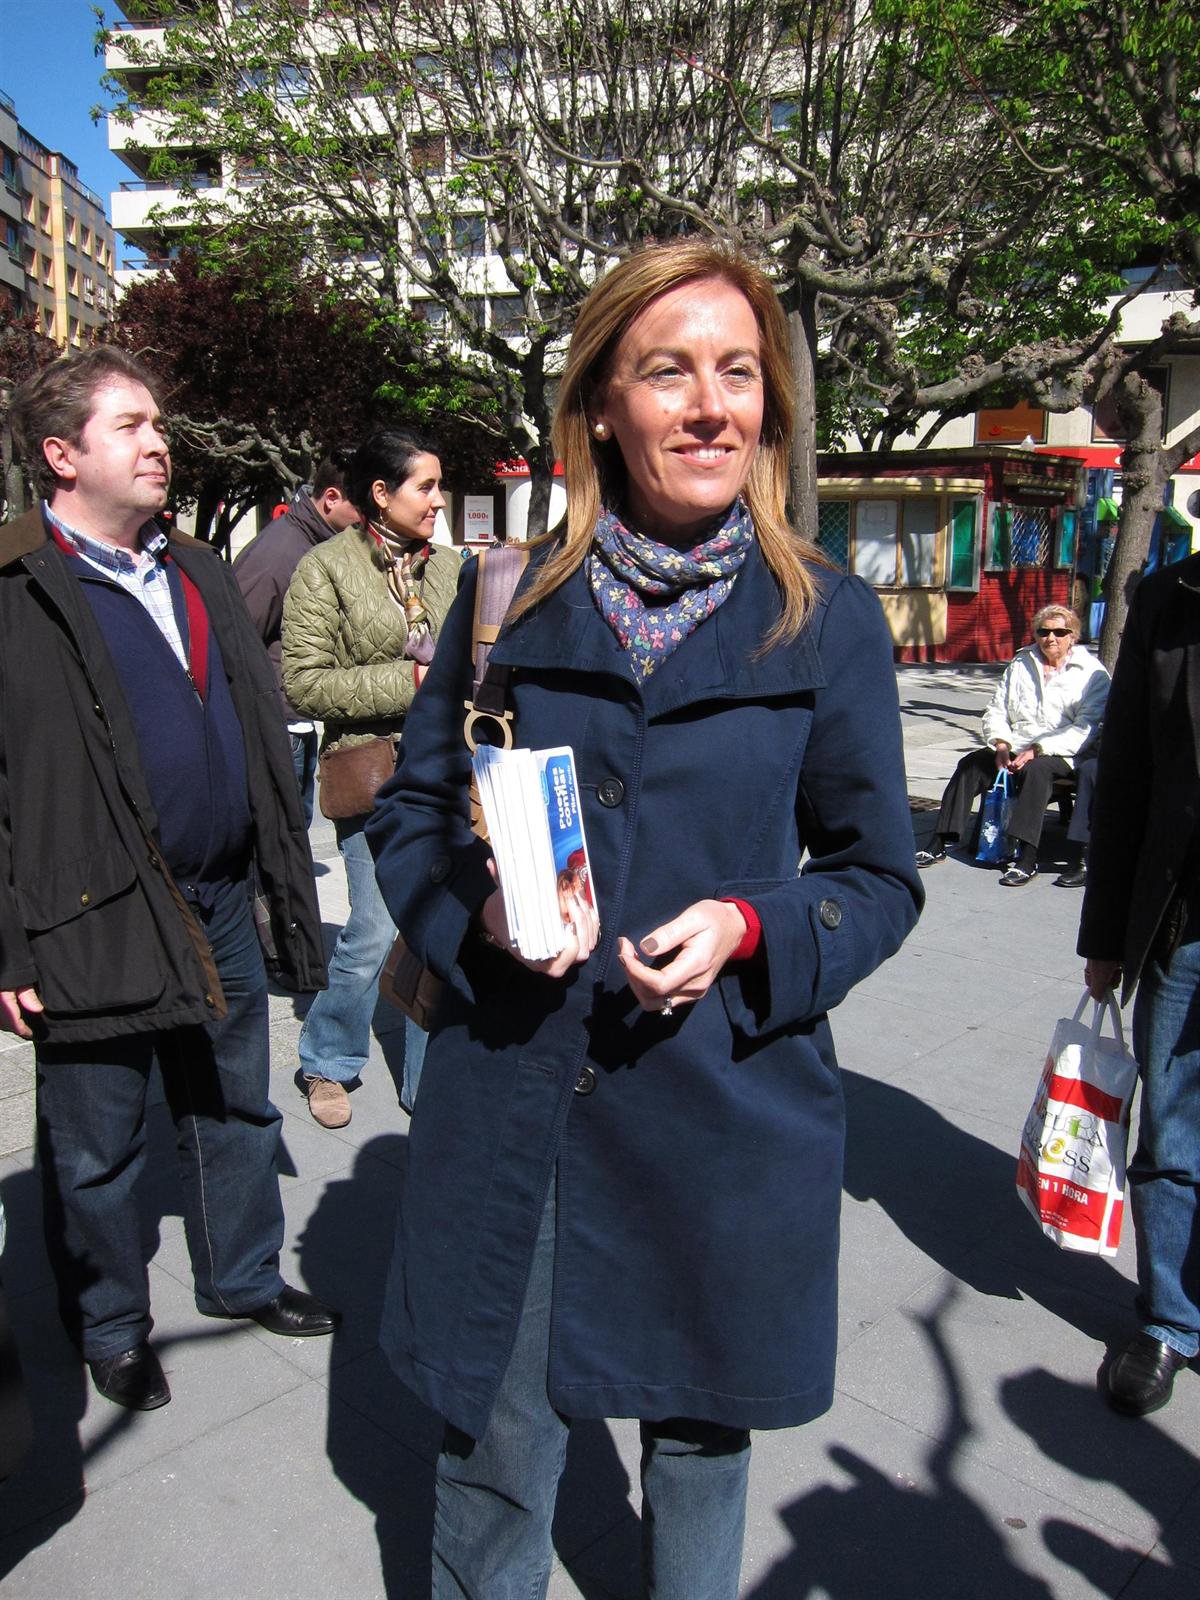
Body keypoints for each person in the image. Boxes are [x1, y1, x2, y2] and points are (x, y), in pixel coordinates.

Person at [365, 241, 924, 1599]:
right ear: (603, 407)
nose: (711, 405)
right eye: (668, 372)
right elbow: (413, 812)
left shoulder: (829, 618)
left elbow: (877, 877)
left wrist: (750, 927)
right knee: (495, 1460)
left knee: (697, 1456)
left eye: (739, 372)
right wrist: (482, 913)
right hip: (518, 1099)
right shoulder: (505, 597)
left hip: (723, 1107)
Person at [0, 348, 336, 1414]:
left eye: (159, 422)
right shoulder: (14, 585)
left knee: (236, 1105)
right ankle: (109, 1326)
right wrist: (7, 946)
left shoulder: (193, 566)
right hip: (91, 913)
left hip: (223, 894)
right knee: (97, 1145)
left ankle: (243, 1277)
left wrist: (280, 867)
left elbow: (251, 716)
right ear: (61, 455)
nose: (160, 443)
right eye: (132, 426)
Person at [282, 429, 459, 1128]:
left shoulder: (452, 567)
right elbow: (304, 682)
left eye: (440, 485)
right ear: (381, 494)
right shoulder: (324, 568)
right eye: (426, 487)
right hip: (371, 773)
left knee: (438, 925)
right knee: (375, 928)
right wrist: (412, 680)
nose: (439, 500)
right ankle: (327, 1059)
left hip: (448, 773)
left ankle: (427, 1080)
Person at [1080, 551, 1200, 1417]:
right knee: (1171, 1132)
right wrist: (1105, 938)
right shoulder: (1171, 598)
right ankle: (1171, 1319)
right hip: (1183, 924)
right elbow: (1124, 778)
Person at [916, 604, 1109, 885]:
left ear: (1073, 636)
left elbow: (1086, 727)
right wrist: (1001, 743)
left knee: (1037, 771)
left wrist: (1038, 749)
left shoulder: (1092, 673)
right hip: (1016, 743)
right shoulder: (1021, 663)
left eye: (1059, 632)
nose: (1050, 638)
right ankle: (940, 840)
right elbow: (997, 709)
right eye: (1043, 632)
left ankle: (1027, 857)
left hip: (1064, 752)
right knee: (971, 764)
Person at [233, 451, 359, 826]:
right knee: (282, 834)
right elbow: (236, 642)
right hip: (278, 725)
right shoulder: (279, 553)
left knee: (294, 833)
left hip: (297, 721)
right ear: (331, 498)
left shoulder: (315, 545)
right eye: (361, 505)